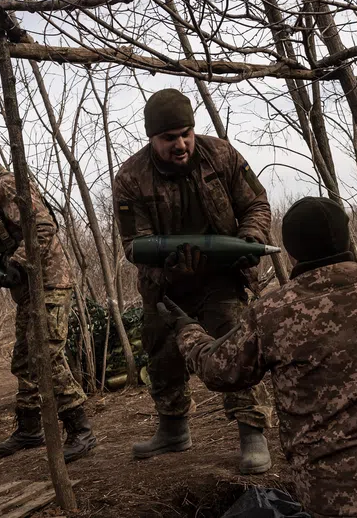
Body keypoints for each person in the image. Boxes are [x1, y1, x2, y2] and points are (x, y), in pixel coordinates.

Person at [160, 196, 357, 518]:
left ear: (291, 253)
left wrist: (187, 330)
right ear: (347, 238)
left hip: (331, 500)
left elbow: (218, 371)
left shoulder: (272, 312)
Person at [112, 88, 274, 474]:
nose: (181, 144)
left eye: (186, 133)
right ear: (152, 138)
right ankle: (173, 429)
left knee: (234, 342)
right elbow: (134, 245)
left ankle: (251, 431)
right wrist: (169, 265)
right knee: (161, 353)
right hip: (165, 283)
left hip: (221, 276)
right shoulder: (131, 178)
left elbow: (256, 203)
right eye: (169, 138)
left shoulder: (221, 155)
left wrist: (251, 236)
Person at [0, 137, 96, 462]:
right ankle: (30, 428)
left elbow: (43, 226)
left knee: (46, 354)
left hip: (48, 282)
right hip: (27, 291)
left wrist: (19, 263)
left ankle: (80, 429)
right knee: (24, 359)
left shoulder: (6, 185)